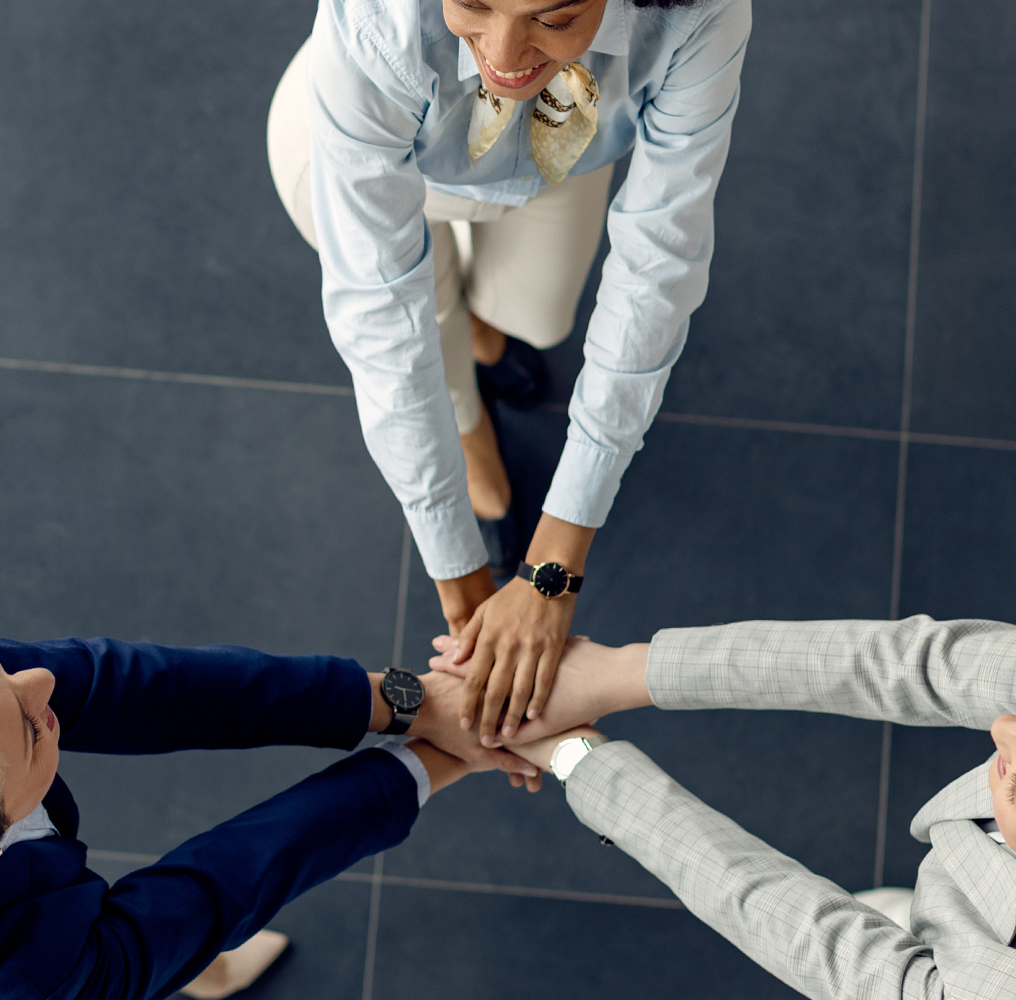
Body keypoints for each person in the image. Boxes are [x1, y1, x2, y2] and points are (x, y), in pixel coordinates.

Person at [267, 0, 750, 750]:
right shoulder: (375, 20)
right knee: (424, 320)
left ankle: (475, 315)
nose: (501, 51)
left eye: (552, 16)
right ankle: (471, 430)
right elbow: (381, 311)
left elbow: (658, 265)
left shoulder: (701, 13)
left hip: (566, 141)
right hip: (380, 151)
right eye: (472, 3)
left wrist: (552, 568)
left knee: (540, 318)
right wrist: (464, 589)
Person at [451, 616, 1016, 1000]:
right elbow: (915, 663)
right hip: (957, 937)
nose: (1004, 726)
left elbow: (801, 928)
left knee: (872, 930)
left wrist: (580, 758)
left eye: (1015, 775)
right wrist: (623, 674)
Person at [0, 618, 535, 1000]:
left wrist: (402, 703)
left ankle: (182, 970)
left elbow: (119, 685)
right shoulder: (16, 979)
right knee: (147, 950)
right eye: (32, 733)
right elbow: (219, 888)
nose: (39, 683)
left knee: (145, 952)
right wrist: (432, 761)